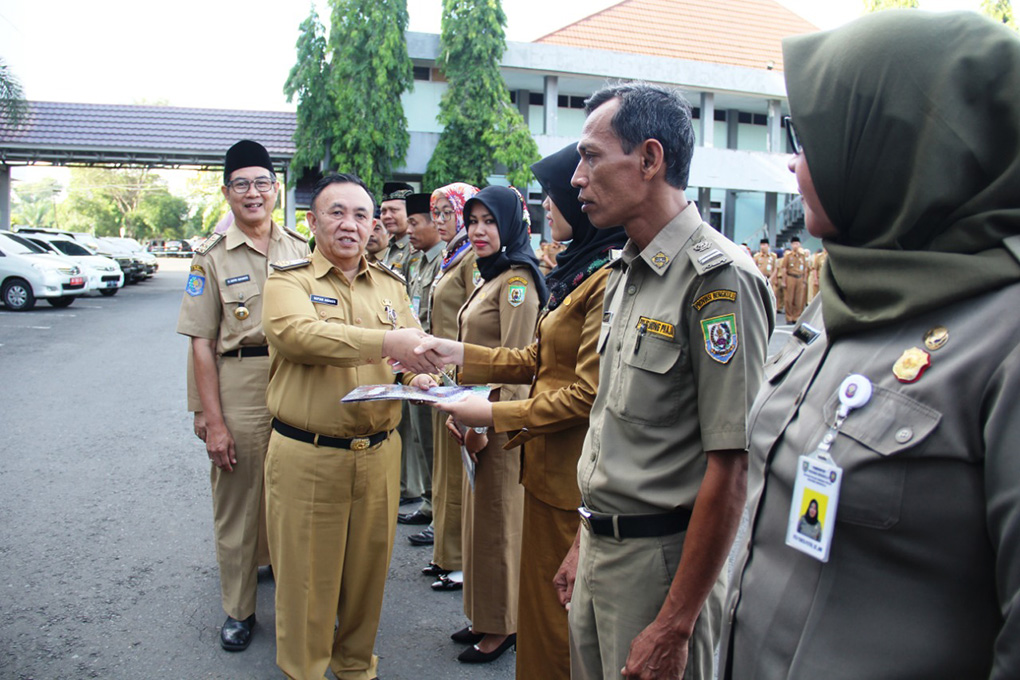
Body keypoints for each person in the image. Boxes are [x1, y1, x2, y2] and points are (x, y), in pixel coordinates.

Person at [720, 11, 1020, 679]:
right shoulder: (850, 295)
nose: (798, 163)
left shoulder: (1004, 335)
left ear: (901, 142)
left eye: (817, 137)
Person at [552, 83, 774, 680]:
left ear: (649, 160)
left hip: (662, 570)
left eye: (591, 157)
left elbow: (733, 468)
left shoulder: (718, 281)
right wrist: (583, 539)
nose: (576, 179)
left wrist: (676, 624)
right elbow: (614, 429)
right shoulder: (626, 269)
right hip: (602, 551)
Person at [418, 142, 628, 680]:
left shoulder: (601, 279)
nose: (551, 208)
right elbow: (535, 357)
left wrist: (491, 416)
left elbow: (583, 394)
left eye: (558, 198)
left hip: (565, 471)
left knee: (556, 624)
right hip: (544, 465)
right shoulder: (579, 270)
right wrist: (462, 355)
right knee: (537, 610)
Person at [260, 173, 438, 680]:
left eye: (362, 215)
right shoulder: (287, 281)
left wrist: (420, 375)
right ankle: (305, 671)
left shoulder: (391, 283)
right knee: (307, 585)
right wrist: (387, 345)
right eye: (337, 213)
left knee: (367, 580)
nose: (350, 224)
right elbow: (299, 337)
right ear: (312, 222)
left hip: (379, 452)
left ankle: (356, 667)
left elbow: (413, 350)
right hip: (309, 456)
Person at [176, 139, 309, 652]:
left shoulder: (299, 248)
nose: (252, 193)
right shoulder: (209, 258)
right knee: (237, 501)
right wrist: (211, 420)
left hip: (296, 380)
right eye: (241, 184)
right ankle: (239, 608)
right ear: (227, 191)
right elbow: (202, 347)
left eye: (261, 183)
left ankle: (297, 602)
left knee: (294, 494)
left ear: (276, 189)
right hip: (240, 385)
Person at [446, 185, 546, 663]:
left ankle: (503, 625)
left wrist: (487, 426)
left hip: (501, 429)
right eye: (473, 221)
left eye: (489, 221)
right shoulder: (492, 275)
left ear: (510, 225)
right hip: (477, 416)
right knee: (480, 525)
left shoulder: (516, 281)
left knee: (500, 527)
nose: (478, 231)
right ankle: (484, 615)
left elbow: (519, 363)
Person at [412, 183, 479, 558]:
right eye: (435, 213)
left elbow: (474, 319)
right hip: (441, 371)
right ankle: (446, 551)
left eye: (447, 213)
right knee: (443, 463)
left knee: (457, 466)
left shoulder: (471, 258)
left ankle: (457, 557)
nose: (439, 220)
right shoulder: (450, 256)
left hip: (460, 373)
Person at [396, 192, 446, 528]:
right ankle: (429, 502)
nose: (408, 229)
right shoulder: (419, 261)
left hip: (437, 364)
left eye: (415, 222)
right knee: (419, 438)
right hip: (415, 362)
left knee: (434, 442)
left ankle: (439, 511)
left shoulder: (448, 260)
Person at [379, 181, 417, 277]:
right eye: (383, 211)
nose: (387, 216)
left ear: (410, 212)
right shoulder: (390, 246)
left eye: (393, 210)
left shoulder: (417, 248)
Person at [778, 236, 809, 323]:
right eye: (794, 244)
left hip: (800, 278)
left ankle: (797, 316)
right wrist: (784, 281)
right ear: (791, 245)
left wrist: (804, 280)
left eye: (797, 243)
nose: (796, 245)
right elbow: (784, 268)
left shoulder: (803, 256)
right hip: (790, 277)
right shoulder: (788, 256)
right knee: (789, 299)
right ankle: (789, 317)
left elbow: (806, 268)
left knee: (799, 299)